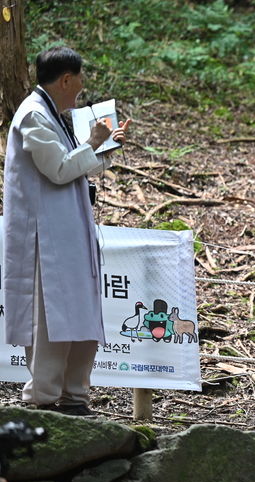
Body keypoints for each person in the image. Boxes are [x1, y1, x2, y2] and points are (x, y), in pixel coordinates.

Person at [3, 47, 131, 416]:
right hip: (46, 236)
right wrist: (91, 143)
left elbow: (73, 167)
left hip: (70, 231)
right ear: (65, 79)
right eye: (79, 80)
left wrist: (105, 149)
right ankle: (42, 396)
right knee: (51, 316)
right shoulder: (33, 116)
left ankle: (76, 395)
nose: (81, 88)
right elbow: (58, 169)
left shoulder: (53, 114)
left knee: (80, 311)